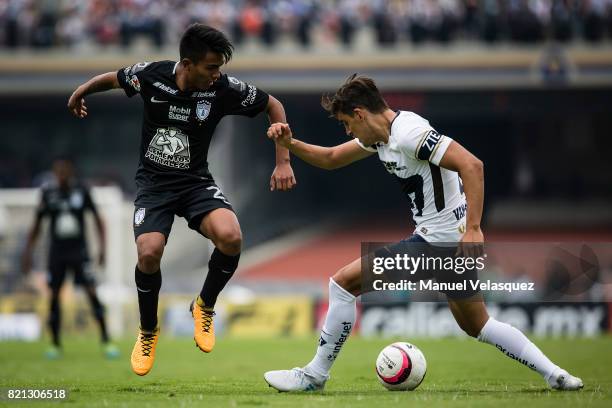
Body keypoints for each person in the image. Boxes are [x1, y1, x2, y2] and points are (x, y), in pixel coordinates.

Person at [263, 74, 583, 391]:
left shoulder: (409, 134)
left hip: (436, 244)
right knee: (479, 325)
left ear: (360, 113)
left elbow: (472, 165)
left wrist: (474, 228)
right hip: (447, 245)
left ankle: (314, 376)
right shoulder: (382, 136)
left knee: (342, 285)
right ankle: (555, 374)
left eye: (347, 123)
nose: (348, 131)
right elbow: (332, 158)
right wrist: (289, 144)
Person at [67, 24, 295, 376]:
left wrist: (283, 161)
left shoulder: (223, 89)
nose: (217, 74)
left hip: (195, 184)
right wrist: (81, 91)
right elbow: (113, 78)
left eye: (220, 67)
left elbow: (274, 106)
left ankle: (204, 305)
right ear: (187, 64)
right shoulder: (151, 75)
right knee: (149, 252)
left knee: (232, 237)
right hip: (154, 187)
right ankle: (147, 332)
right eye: (211, 67)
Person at [22, 158, 118, 360]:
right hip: (57, 253)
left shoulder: (82, 191)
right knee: (54, 295)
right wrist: (27, 252)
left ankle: (106, 340)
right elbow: (37, 225)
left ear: (71, 172)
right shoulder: (48, 194)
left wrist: (102, 249)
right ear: (55, 174)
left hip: (79, 252)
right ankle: (55, 344)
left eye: (65, 171)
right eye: (59, 172)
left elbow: (98, 220)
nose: (62, 175)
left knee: (92, 292)